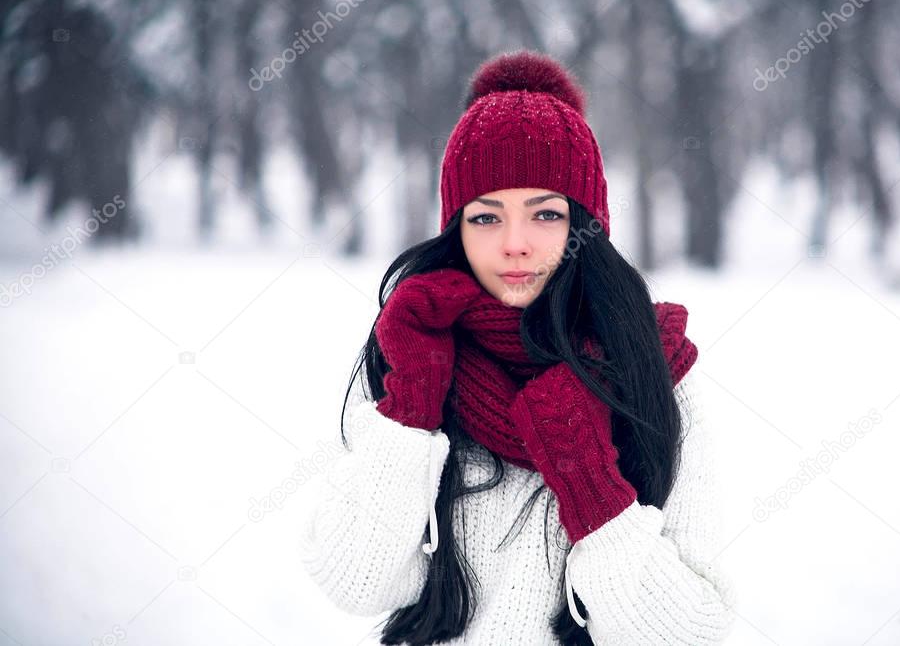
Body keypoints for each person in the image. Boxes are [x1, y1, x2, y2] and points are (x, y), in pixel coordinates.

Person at [299, 49, 737, 645]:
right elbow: (356, 582)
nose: (514, 244)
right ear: (456, 225)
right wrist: (413, 404)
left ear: (586, 225)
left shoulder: (654, 376)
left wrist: (587, 476)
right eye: (486, 217)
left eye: (545, 214)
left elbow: (691, 634)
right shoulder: (413, 350)